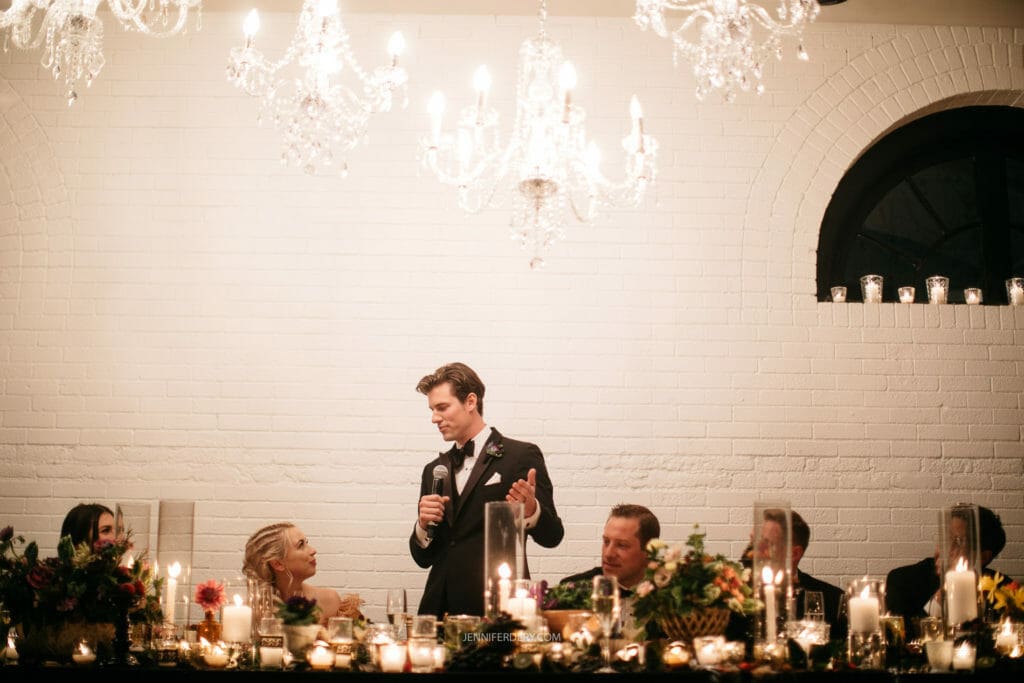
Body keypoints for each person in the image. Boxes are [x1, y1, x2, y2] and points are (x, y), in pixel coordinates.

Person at [410, 362, 564, 618]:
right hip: (439, 609)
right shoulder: (434, 470)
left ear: (471, 402)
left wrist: (532, 511)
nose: (434, 418)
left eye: (442, 407)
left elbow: (553, 536)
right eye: (432, 410)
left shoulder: (520, 456)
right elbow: (423, 558)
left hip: (499, 610)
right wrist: (423, 525)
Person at [886, 505, 1011, 638]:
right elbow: (900, 640)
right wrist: (939, 602)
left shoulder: (1006, 591)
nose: (946, 548)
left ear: (982, 557)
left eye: (958, 541)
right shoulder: (902, 581)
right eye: (945, 537)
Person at [735, 509, 846, 642]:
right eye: (752, 541)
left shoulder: (833, 600)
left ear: (794, 554)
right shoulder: (731, 598)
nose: (753, 552)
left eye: (764, 543)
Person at [243, 522, 362, 626]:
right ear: (278, 564)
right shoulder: (250, 611)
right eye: (301, 545)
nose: (313, 550)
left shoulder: (328, 600)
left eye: (307, 543)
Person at [558, 504, 661, 596]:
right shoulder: (572, 590)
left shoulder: (671, 595)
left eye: (622, 545)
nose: (608, 554)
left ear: (649, 553)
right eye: (606, 542)